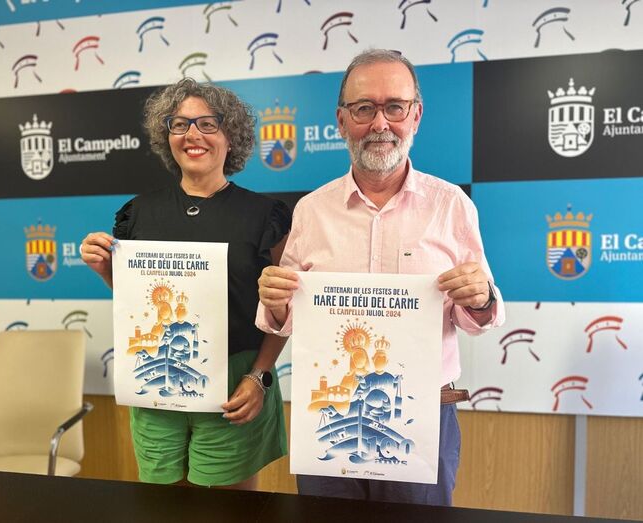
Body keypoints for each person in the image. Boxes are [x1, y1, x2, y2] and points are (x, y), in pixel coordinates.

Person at [256, 49, 505, 505]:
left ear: (416, 116)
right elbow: (285, 319)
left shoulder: (452, 205)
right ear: (341, 120)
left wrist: (481, 297)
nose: (379, 123)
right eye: (363, 108)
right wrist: (274, 301)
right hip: (329, 413)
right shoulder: (310, 210)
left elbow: (479, 318)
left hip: (423, 414)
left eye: (394, 107)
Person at [80, 78, 290, 489]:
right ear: (168, 137)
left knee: (227, 511)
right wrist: (105, 269)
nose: (193, 134)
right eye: (180, 124)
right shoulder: (139, 213)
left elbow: (284, 311)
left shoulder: (264, 215)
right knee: (162, 506)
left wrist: (260, 375)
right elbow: (138, 302)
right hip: (156, 377)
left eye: (208, 124)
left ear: (231, 137)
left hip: (236, 382)